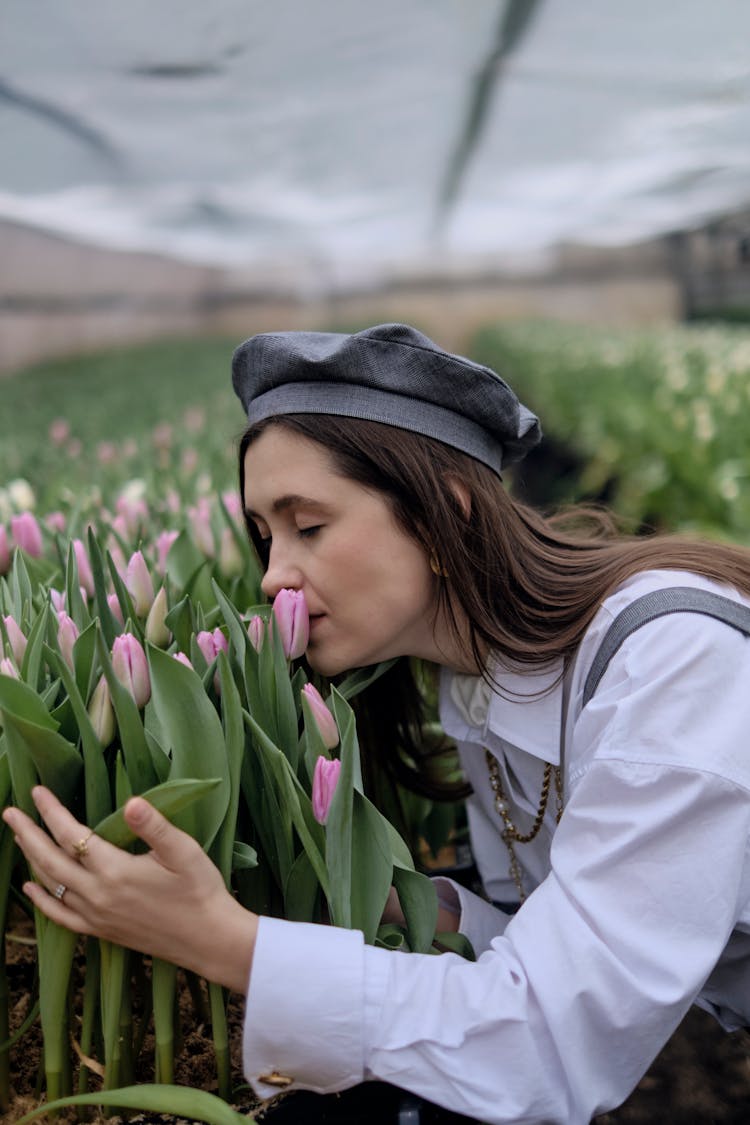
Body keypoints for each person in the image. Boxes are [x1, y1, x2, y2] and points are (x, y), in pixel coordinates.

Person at [5, 322, 750, 1125]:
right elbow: (555, 944)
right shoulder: (470, 683)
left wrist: (224, 940)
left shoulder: (672, 665)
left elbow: (549, 1037)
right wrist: (393, 895)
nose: (273, 574)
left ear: (443, 515)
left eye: (309, 526)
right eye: (263, 536)